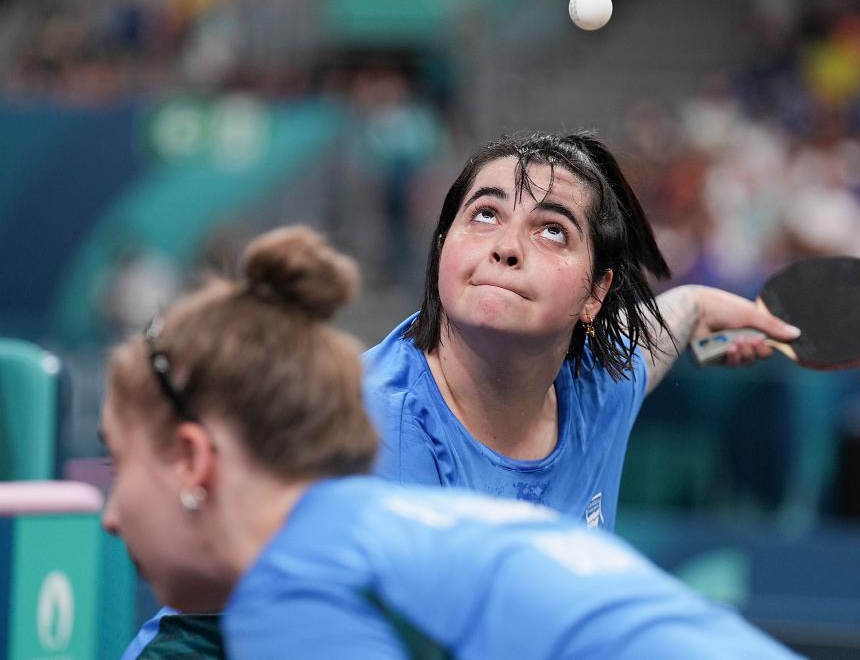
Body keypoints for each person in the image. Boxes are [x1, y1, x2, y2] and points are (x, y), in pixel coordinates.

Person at [102, 225, 800, 659]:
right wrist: (694, 306)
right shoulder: (369, 535)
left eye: (119, 461)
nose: (107, 512)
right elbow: (649, 338)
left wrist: (696, 307)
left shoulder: (304, 585)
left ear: (193, 460)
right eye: (484, 215)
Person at [364, 131, 799, 529]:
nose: (506, 247)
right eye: (486, 214)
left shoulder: (596, 390)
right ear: (442, 245)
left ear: (596, 292)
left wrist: (696, 306)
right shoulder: (376, 431)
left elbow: (656, 331)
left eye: (553, 231)